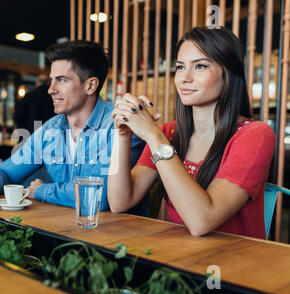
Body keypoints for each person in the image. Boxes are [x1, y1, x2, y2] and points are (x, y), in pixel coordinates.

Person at [108, 26, 275, 239]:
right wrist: (122, 136)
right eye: (180, 67)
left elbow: (201, 222)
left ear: (229, 74)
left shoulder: (255, 136)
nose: (184, 78)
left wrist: (153, 135)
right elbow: (119, 201)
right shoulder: (170, 132)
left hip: (234, 266)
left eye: (200, 66)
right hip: (180, 260)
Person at [0, 40, 148, 213]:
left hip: (119, 239)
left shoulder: (120, 126)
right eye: (52, 80)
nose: (51, 89)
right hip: (64, 231)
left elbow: (100, 195)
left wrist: (43, 190)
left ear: (91, 86)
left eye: (61, 80)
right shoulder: (50, 130)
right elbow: (8, 170)